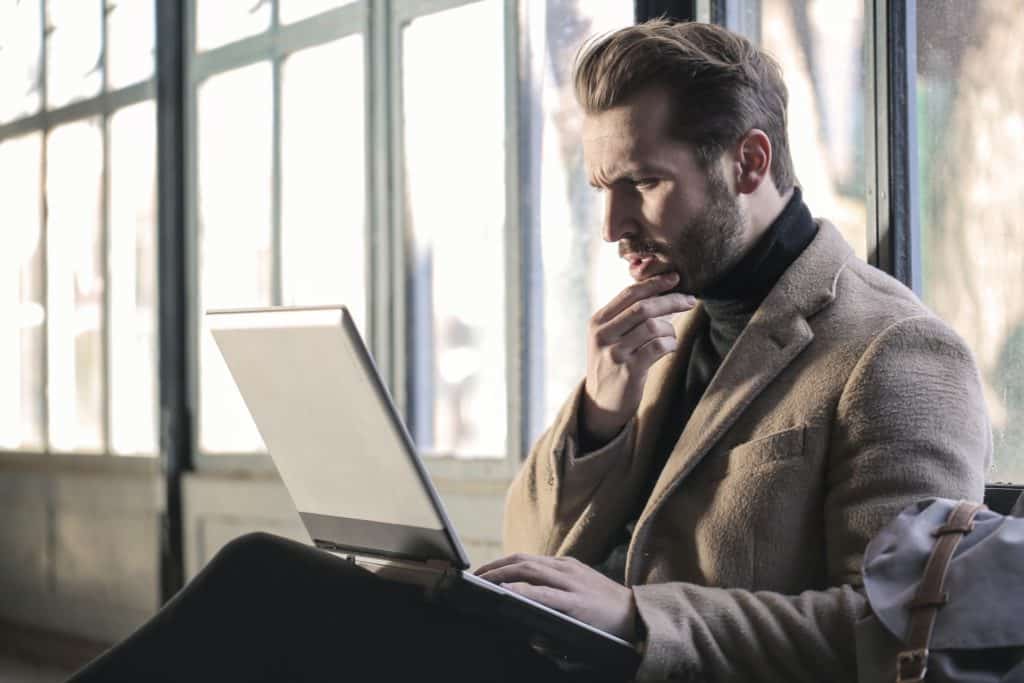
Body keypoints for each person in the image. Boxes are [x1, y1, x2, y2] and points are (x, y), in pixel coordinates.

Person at [68, 19, 990, 683]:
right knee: (269, 581)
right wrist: (597, 413)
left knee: (269, 596)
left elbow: (897, 634)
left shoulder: (895, 351)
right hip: (549, 656)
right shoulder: (663, 322)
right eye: (601, 187)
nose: (613, 225)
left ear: (748, 164)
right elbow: (531, 546)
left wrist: (636, 617)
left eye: (642, 183)